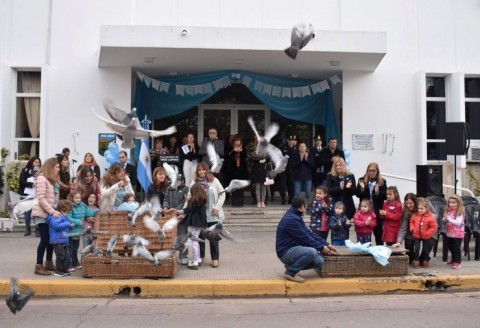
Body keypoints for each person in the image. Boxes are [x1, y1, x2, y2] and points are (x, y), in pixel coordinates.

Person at [276, 196, 337, 283]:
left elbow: (309, 233)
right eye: (306, 206)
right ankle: (290, 272)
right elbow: (305, 238)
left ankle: (292, 266)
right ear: (302, 207)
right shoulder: (291, 219)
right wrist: (321, 248)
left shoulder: (296, 216)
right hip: (286, 252)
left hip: (294, 249)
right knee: (311, 252)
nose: (306, 208)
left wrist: (326, 244)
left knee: (319, 261)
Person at [191, 162, 225, 268]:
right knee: (200, 237)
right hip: (200, 215)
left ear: (207, 170)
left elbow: (222, 193)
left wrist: (217, 207)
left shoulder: (214, 181)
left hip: (212, 213)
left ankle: (215, 258)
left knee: (213, 237)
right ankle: (201, 256)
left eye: (203, 169)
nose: (201, 172)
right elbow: (189, 195)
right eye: (199, 170)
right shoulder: (194, 182)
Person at [32, 157, 61, 275]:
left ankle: (48, 262)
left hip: (47, 214)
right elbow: (41, 199)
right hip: (41, 214)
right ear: (51, 167)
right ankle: (38, 265)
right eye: (57, 167)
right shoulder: (42, 178)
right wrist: (52, 211)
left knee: (50, 240)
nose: (58, 169)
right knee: (45, 239)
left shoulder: (49, 179)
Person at [355, 162, 387, 246]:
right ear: (367, 171)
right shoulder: (361, 180)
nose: (372, 172)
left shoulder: (382, 181)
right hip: (364, 212)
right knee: (364, 235)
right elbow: (357, 194)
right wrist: (362, 189)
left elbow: (385, 196)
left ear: (377, 171)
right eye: (370, 170)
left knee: (379, 234)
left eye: (374, 171)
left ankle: (379, 252)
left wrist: (377, 191)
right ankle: (364, 253)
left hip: (376, 212)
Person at [163, 174, 189, 265]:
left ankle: (183, 256)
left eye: (179, 181)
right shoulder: (169, 188)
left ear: (182, 181)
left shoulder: (186, 189)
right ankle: (170, 256)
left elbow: (185, 202)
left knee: (182, 236)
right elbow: (165, 199)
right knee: (170, 237)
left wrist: (177, 209)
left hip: (181, 216)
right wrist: (166, 206)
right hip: (170, 216)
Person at [182, 182, 208, 270]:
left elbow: (190, 209)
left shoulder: (195, 201)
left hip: (195, 224)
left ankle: (195, 261)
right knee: (196, 240)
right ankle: (198, 259)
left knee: (194, 241)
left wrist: (182, 210)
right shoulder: (202, 200)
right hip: (200, 224)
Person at [47, 199, 74, 277]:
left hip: (64, 239)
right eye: (67, 212)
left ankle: (64, 269)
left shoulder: (64, 217)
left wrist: (70, 226)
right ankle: (58, 270)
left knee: (67, 255)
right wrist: (67, 224)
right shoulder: (56, 216)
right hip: (57, 240)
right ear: (62, 210)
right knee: (60, 255)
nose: (68, 214)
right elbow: (56, 226)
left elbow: (65, 228)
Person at [410, 197, 438, 268]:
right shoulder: (415, 215)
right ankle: (416, 261)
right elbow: (411, 222)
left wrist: (428, 233)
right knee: (416, 248)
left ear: (427, 209)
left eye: (422, 209)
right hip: (416, 235)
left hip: (426, 236)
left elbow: (434, 227)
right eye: (419, 208)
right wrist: (413, 229)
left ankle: (425, 260)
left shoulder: (430, 217)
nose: (420, 210)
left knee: (426, 249)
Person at [18, 156, 41, 236]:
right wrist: (31, 184)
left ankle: (37, 229)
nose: (37, 164)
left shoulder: (40, 172)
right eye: (36, 162)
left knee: (36, 212)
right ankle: (28, 229)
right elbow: (22, 181)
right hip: (26, 194)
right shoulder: (25, 170)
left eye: (38, 162)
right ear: (31, 162)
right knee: (27, 212)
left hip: (36, 194)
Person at [392, 193, 418, 264]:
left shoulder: (422, 205)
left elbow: (435, 215)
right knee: (409, 247)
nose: (408, 205)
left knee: (428, 244)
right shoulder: (406, 211)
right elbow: (403, 227)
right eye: (406, 203)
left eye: (410, 203)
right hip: (411, 232)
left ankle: (422, 258)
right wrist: (399, 242)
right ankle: (412, 257)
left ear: (415, 202)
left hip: (424, 231)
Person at [66, 190, 87, 272]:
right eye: (76, 198)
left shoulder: (83, 205)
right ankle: (69, 264)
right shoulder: (70, 206)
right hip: (71, 231)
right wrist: (78, 221)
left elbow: (87, 212)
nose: (78, 199)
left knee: (75, 249)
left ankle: (75, 263)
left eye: (79, 198)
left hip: (78, 231)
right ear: (72, 198)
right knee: (70, 249)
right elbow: (68, 217)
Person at [225, 135, 248, 207]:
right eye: (236, 140)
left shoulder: (243, 148)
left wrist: (241, 152)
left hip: (241, 170)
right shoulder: (230, 148)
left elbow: (246, 157)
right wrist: (234, 151)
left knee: (241, 187)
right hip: (233, 170)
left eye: (239, 141)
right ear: (233, 142)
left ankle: (241, 202)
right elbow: (228, 157)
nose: (237, 142)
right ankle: (234, 202)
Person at [443, 195, 465, 269]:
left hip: (457, 234)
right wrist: (445, 218)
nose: (451, 204)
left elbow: (458, 222)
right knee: (450, 246)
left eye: (453, 202)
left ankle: (457, 262)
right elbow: (446, 220)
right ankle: (453, 259)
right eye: (450, 202)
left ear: (458, 203)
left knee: (456, 248)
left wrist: (448, 218)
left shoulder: (459, 212)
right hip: (450, 233)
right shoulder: (449, 211)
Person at [248, 136, 269, 208]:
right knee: (257, 186)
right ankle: (258, 201)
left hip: (264, 170)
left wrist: (263, 158)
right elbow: (253, 157)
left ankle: (263, 201)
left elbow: (268, 158)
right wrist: (261, 158)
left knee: (264, 187)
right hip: (257, 170)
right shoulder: (254, 151)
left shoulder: (267, 151)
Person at [280, 135, 298, 204]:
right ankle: (283, 198)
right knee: (282, 185)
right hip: (284, 170)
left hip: (292, 170)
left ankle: (291, 198)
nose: (291, 142)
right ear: (288, 141)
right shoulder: (283, 148)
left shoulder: (296, 149)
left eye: (292, 140)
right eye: (290, 140)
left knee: (291, 185)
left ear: (294, 141)